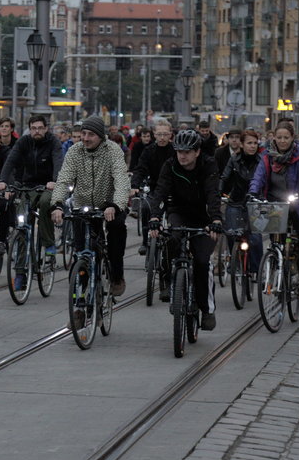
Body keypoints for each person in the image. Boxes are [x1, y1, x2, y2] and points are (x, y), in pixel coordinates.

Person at [148, 129, 223, 329]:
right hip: (178, 211)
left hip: (203, 216)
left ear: (197, 152)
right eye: (179, 151)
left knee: (202, 261)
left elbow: (212, 193)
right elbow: (160, 191)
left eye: (187, 152)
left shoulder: (208, 164)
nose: (182, 155)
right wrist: (155, 216)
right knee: (172, 239)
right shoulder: (170, 165)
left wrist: (216, 219)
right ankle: (172, 284)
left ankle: (207, 309)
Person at [51, 116, 130, 297]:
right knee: (82, 252)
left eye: (91, 135)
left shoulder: (113, 150)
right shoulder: (75, 151)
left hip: (110, 205)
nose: (85, 138)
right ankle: (81, 301)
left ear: (101, 136)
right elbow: (64, 180)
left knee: (116, 231)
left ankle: (117, 275)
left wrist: (116, 205)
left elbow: (121, 180)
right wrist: (56, 205)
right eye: (83, 134)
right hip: (82, 205)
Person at [249, 122, 299, 297]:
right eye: (279, 137)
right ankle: (274, 266)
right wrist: (253, 191)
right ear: (274, 137)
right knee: (275, 241)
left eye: (286, 137)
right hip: (276, 204)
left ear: (292, 138)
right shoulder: (266, 156)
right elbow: (259, 175)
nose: (282, 141)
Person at [0, 115, 63, 269]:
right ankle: (20, 268)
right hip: (28, 186)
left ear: (46, 129)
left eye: (40, 128)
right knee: (22, 222)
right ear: (30, 129)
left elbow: (58, 161)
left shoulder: (53, 142)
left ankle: (49, 245)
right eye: (33, 128)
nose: (37, 131)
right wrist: (2, 180)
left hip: (47, 186)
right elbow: (10, 161)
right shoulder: (24, 142)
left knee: (46, 202)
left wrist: (55, 180)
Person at [220, 129, 263, 280]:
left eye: (255, 143)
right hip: (236, 202)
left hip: (255, 203)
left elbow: (266, 181)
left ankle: (257, 270)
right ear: (242, 144)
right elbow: (224, 178)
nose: (252, 146)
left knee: (256, 239)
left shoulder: (261, 161)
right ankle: (235, 263)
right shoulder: (234, 159)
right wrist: (218, 192)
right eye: (249, 143)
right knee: (232, 234)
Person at [130, 119, 175, 254]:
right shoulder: (148, 151)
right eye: (159, 134)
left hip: (173, 190)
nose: (162, 137)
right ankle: (145, 241)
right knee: (145, 208)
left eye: (165, 134)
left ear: (170, 134)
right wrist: (134, 185)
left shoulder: (176, 150)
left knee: (175, 218)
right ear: (154, 134)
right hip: (154, 188)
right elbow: (140, 169)